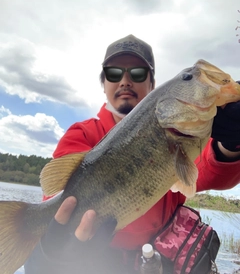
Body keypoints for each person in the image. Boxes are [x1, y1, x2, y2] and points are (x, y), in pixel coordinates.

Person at [24, 34, 240, 274]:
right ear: (104, 84)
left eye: (137, 74)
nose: (125, 81)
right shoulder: (82, 134)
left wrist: (230, 142)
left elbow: (208, 168)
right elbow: (59, 196)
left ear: (152, 85)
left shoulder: (186, 135)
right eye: (114, 74)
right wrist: (52, 251)